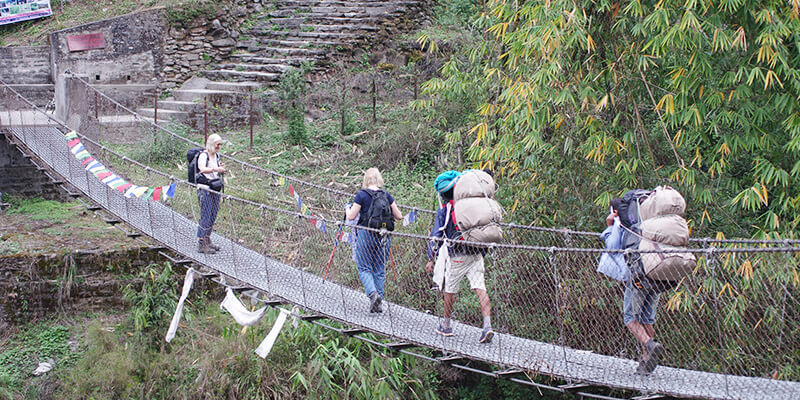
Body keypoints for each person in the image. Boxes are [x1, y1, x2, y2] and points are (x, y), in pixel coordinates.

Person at [425, 171, 494, 343]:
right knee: (480, 287)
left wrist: (430, 258)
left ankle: (446, 325)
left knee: (450, 289)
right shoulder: (472, 205)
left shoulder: (446, 209)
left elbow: (437, 236)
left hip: (457, 255)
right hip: (476, 252)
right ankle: (487, 325)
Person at [600, 200, 664, 374]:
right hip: (657, 272)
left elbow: (612, 247)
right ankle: (646, 360)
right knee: (646, 319)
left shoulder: (623, 224)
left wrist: (610, 226)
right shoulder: (648, 223)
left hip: (637, 276)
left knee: (630, 318)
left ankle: (650, 345)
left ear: (615, 211)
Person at [345, 168, 402, 313]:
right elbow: (399, 216)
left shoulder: (361, 195)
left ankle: (372, 294)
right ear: (378, 179)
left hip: (366, 234)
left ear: (366, 180)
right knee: (379, 269)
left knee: (363, 266)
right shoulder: (386, 195)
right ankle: (379, 302)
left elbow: (351, 216)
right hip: (384, 236)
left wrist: (347, 208)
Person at [196, 134, 226, 254]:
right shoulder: (203, 155)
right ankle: (201, 242)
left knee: (213, 215)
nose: (219, 147)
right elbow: (202, 169)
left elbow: (216, 169)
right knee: (206, 215)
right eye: (217, 144)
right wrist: (216, 169)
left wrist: (220, 167)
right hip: (205, 189)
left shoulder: (216, 156)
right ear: (211, 144)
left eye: (220, 144)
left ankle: (207, 239)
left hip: (215, 188)